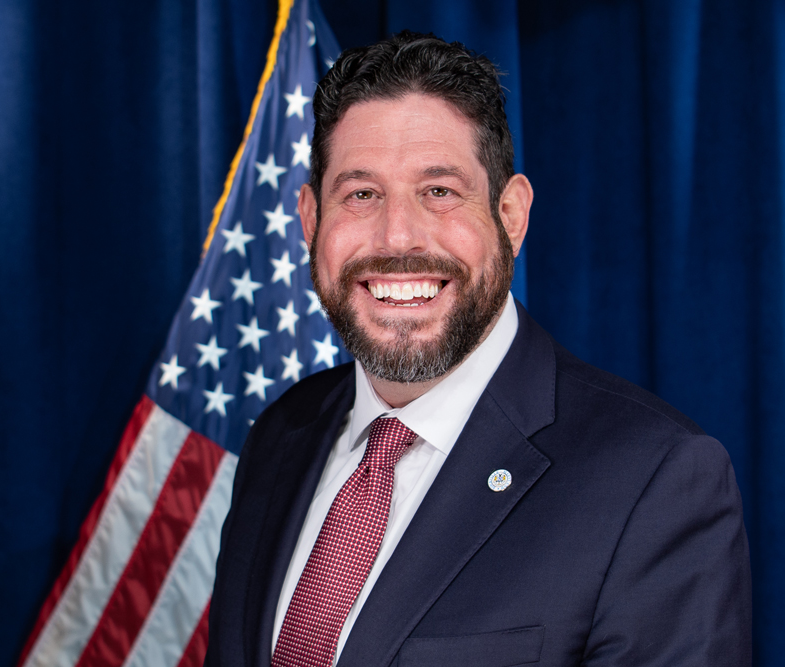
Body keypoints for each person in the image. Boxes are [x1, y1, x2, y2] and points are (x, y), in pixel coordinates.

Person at [205, 31, 751, 667]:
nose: (397, 236)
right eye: (361, 194)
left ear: (511, 215)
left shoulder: (654, 482)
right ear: (309, 220)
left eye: (439, 191)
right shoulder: (281, 434)